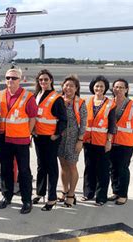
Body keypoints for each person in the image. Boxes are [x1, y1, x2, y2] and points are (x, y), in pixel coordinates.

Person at [0, 68, 37, 214]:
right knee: (5, 168)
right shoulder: (0, 94)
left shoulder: (28, 96)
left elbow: (32, 118)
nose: (10, 81)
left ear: (20, 80)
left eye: (13, 78)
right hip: (4, 138)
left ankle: (27, 200)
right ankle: (6, 196)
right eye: (7, 78)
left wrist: (27, 133)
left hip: (20, 139)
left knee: (24, 171)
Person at [31, 69, 67, 211]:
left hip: (51, 138)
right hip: (38, 136)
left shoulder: (56, 98)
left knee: (51, 167)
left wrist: (57, 134)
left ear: (51, 80)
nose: (43, 82)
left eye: (46, 79)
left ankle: (52, 198)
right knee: (41, 165)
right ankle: (40, 192)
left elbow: (63, 120)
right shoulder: (36, 95)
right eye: (41, 80)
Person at [108, 78, 133, 205]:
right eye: (116, 87)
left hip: (126, 143)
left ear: (126, 89)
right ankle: (115, 191)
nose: (118, 89)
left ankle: (123, 195)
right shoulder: (108, 103)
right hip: (111, 141)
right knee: (113, 168)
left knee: (123, 168)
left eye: (121, 87)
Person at [82, 75, 116, 206]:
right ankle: (88, 193)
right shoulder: (86, 102)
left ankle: (101, 197)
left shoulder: (110, 104)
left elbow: (112, 125)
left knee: (102, 170)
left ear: (105, 88)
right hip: (88, 141)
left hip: (102, 142)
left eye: (102, 86)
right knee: (89, 168)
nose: (99, 88)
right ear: (92, 87)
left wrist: (109, 141)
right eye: (97, 86)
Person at [57, 75, 87, 208]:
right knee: (63, 165)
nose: (68, 88)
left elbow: (84, 123)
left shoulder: (80, 102)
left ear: (76, 88)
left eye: (71, 86)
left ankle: (71, 194)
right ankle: (64, 190)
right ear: (62, 86)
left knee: (72, 166)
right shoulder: (58, 100)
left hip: (73, 138)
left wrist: (80, 140)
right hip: (60, 139)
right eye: (66, 85)